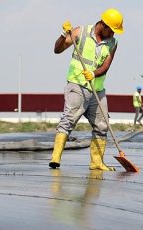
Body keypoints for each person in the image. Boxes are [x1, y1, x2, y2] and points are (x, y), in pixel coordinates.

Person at [49, 8, 124, 171]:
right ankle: (55, 159)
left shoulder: (113, 43)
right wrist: (63, 35)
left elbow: (106, 66)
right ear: (103, 25)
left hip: (98, 90)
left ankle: (97, 163)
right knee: (68, 121)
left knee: (103, 125)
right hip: (77, 86)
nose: (113, 34)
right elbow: (57, 50)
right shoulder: (80, 32)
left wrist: (93, 73)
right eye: (111, 30)